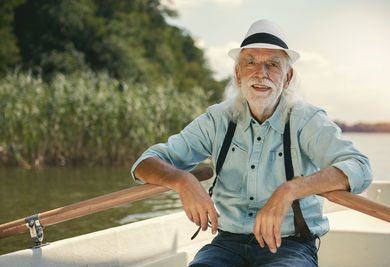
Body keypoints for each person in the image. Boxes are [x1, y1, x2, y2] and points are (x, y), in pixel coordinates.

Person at [131, 19, 372, 267]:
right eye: (251, 62)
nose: (261, 73)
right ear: (238, 74)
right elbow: (144, 164)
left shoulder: (306, 121)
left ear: (287, 77)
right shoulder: (217, 120)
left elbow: (359, 166)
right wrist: (182, 180)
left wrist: (288, 191)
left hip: (290, 247)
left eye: (272, 65)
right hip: (226, 244)